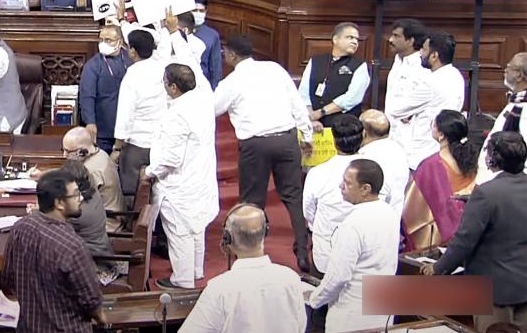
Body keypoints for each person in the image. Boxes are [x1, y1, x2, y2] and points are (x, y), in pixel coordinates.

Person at [214, 35, 313, 272]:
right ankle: (302, 250)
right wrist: (306, 134)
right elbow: (296, 102)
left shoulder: (232, 81)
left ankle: (251, 255)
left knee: (252, 201)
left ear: (232, 55)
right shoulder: (275, 69)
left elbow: (214, 108)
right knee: (293, 196)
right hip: (286, 140)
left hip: (255, 145)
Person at [421, 131, 527, 333]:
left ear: (493, 159)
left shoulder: (486, 193)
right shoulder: (489, 195)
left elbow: (464, 241)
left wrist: (438, 268)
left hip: (494, 291)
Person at [0, 169, 107, 331]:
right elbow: (92, 304)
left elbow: (7, 284)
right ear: (59, 203)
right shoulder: (73, 246)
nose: (81, 199)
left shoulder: (20, 228)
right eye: (76, 194)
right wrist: (103, 320)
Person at [179, 203, 307, 333]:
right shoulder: (291, 279)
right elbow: (300, 327)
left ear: (227, 239)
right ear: (265, 232)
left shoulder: (219, 290)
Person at [147, 63, 219, 289]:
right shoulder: (204, 101)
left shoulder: (176, 115)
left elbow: (170, 159)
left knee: (180, 232)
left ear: (174, 87)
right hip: (199, 178)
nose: (164, 85)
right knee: (196, 227)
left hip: (179, 184)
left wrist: (149, 172)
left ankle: (182, 280)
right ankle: (196, 270)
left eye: (165, 82)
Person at [309, 159, 400, 333]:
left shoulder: (353, 224)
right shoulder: (390, 213)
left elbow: (339, 276)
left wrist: (314, 299)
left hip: (351, 315)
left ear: (365, 189)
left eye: (347, 183)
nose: (340, 186)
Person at [402, 110, 479, 252]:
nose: (432, 127)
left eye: (434, 125)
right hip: (467, 228)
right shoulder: (471, 162)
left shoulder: (431, 165)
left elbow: (412, 207)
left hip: (437, 235)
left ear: (441, 135)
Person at [303, 115, 365, 285]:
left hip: (328, 253)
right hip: (364, 255)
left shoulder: (318, 173)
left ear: (333, 141)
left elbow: (308, 211)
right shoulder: (376, 168)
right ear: (363, 137)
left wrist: (317, 227)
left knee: (321, 305)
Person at [391, 31, 466, 169]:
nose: (420, 53)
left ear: (434, 55)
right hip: (442, 147)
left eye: (424, 49)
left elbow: (396, 109)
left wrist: (409, 113)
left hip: (423, 150)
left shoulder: (431, 82)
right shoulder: (456, 75)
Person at [113, 29, 166, 198]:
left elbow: (125, 114)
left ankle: (133, 223)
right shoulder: (163, 69)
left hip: (136, 145)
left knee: (132, 193)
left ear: (133, 51)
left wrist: (117, 147)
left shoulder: (133, 75)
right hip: (160, 142)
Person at [298, 22, 369, 130]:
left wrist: (321, 112)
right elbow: (304, 93)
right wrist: (311, 118)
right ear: (335, 39)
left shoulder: (360, 66)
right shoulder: (315, 61)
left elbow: (352, 98)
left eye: (357, 39)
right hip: (314, 124)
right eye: (350, 37)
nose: (355, 42)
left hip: (344, 127)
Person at [63, 160, 120, 284]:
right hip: (101, 252)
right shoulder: (91, 191)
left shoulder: (77, 211)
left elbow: (54, 229)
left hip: (96, 264)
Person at [384, 18, 430, 170]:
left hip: (411, 138)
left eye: (396, 36)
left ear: (411, 41)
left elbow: (425, 98)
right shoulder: (397, 60)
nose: (390, 40)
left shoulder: (423, 65)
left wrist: (404, 113)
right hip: (391, 133)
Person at [79, 24, 131, 154]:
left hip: (128, 129)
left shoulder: (130, 59)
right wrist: (90, 122)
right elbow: (87, 96)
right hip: (104, 129)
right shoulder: (93, 65)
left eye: (108, 40)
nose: (103, 43)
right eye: (101, 40)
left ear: (120, 41)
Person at [59, 127, 124, 232]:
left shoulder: (91, 171)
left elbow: (76, 205)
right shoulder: (100, 154)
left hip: (107, 224)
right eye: (63, 150)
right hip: (108, 216)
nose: (64, 155)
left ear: (82, 152)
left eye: (68, 151)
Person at [477, 53, 527, 183]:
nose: (505, 69)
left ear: (519, 75)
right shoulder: (516, 102)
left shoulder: (522, 108)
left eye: (509, 66)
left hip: (507, 183)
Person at [359, 109, 410, 220]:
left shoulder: (366, 158)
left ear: (364, 133)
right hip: (395, 219)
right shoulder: (399, 150)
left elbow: (380, 194)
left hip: (372, 219)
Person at [191, 0, 223, 90]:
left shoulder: (212, 35)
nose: (198, 13)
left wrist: (215, 89)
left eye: (201, 11)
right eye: (195, 10)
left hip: (202, 83)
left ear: (206, 11)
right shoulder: (179, 30)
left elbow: (215, 66)